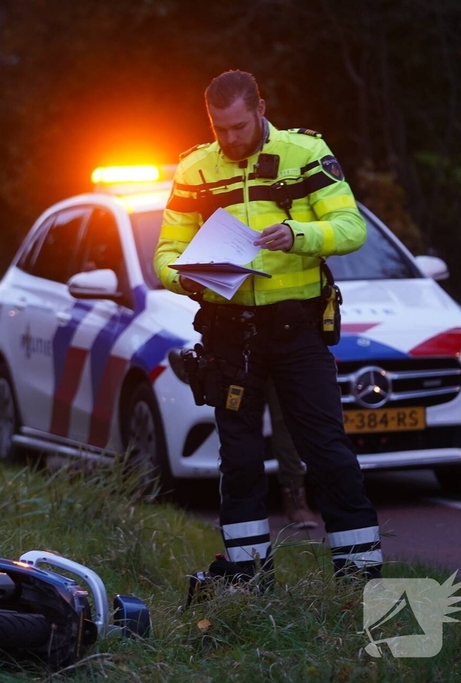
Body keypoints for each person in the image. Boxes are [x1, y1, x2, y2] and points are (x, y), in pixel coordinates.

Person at [154, 70, 381, 580]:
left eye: (238, 126)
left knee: (328, 451)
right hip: (229, 332)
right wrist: (190, 279)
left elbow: (351, 228)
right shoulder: (195, 169)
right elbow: (166, 254)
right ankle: (249, 581)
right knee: (238, 462)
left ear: (260, 108)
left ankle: (361, 576)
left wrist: (298, 234)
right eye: (220, 129)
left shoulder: (304, 154)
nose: (230, 140)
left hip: (296, 329)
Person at [266, 380, 317, 529]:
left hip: (277, 360)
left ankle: (295, 499)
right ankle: (238, 504)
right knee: (241, 423)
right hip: (239, 361)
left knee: (284, 420)